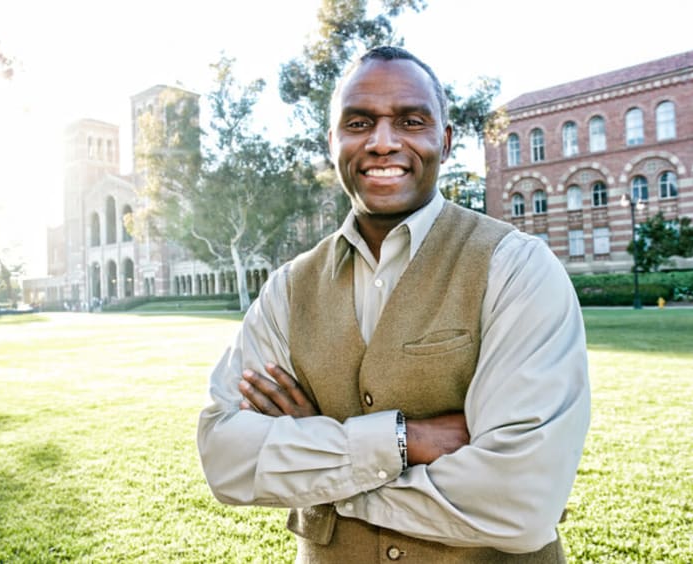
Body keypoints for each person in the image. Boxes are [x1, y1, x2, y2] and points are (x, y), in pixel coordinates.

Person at [198, 45, 590, 563]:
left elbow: (520, 500)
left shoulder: (517, 268)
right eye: (358, 123)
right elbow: (226, 458)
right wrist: (406, 440)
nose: (383, 143)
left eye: (410, 120)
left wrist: (323, 466)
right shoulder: (287, 290)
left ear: (445, 141)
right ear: (332, 142)